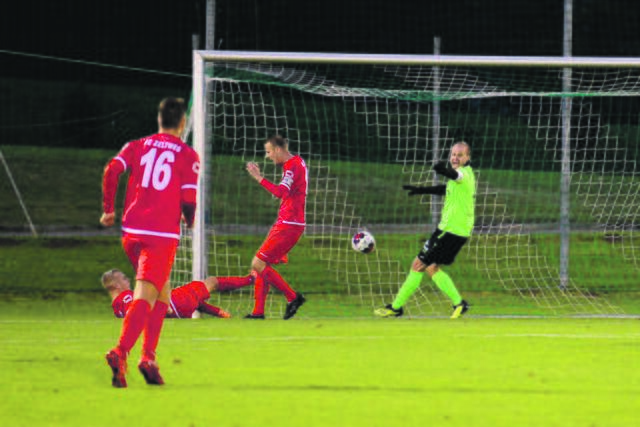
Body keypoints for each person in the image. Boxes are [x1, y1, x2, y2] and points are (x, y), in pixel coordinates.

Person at [100, 97, 199, 388]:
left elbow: (112, 170)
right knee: (145, 293)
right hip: (160, 236)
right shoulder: (187, 154)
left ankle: (149, 358)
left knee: (162, 294)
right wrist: (189, 220)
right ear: (182, 123)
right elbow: (189, 201)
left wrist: (108, 209)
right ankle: (121, 351)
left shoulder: (137, 145)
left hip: (131, 233)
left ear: (159, 120)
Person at [375, 141, 475, 319]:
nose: (455, 157)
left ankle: (396, 307)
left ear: (468, 158)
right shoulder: (462, 178)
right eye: (453, 154)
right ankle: (459, 303)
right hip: (458, 231)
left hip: (449, 230)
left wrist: (444, 170)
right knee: (431, 267)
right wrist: (421, 190)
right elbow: (445, 188)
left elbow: (455, 176)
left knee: (418, 264)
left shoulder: (464, 175)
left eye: (460, 155)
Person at [244, 135, 308, 320]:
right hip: (289, 221)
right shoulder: (298, 162)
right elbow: (290, 190)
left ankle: (293, 297)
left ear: (279, 150)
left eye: (269, 151)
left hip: (289, 223)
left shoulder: (291, 165)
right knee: (263, 264)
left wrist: (258, 177)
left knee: (258, 263)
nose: (268, 156)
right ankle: (258, 312)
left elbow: (281, 192)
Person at [101, 269, 255, 319]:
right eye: (123, 278)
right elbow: (135, 310)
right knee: (212, 281)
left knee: (197, 296)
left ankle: (220, 313)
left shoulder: (116, 309)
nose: (127, 280)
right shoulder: (126, 296)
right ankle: (252, 279)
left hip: (178, 308)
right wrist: (162, 308)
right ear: (115, 285)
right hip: (175, 302)